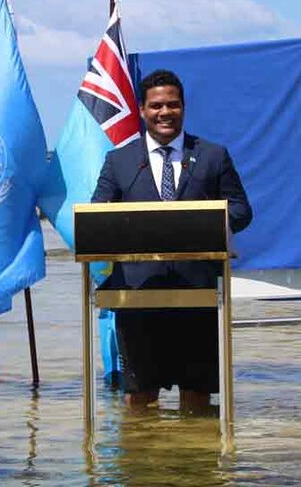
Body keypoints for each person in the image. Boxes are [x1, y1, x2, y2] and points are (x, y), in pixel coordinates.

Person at [91, 69, 252, 411]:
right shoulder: (119, 161)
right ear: (142, 110)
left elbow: (241, 209)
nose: (165, 112)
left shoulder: (212, 155)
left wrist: (204, 224)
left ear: (183, 108)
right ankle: (143, 463)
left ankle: (192, 461)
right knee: (139, 400)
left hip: (198, 293)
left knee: (196, 399)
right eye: (157, 106)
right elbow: (97, 212)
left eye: (173, 105)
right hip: (136, 295)